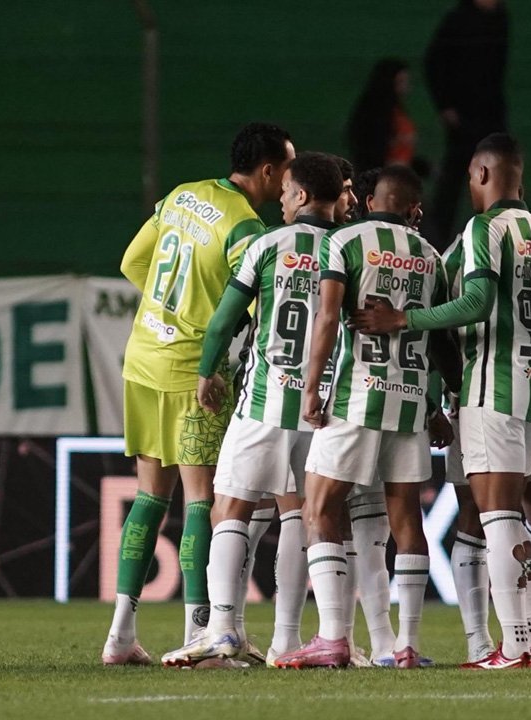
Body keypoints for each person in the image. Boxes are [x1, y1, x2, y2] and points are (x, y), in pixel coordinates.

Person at [352, 133, 531, 669]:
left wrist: (405, 318)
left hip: (491, 390)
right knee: (527, 517)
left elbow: (474, 302)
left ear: (483, 174)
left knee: (495, 517)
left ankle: (517, 642)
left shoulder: (483, 229)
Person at [102, 122, 295, 666]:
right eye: (286, 170)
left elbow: (132, 262)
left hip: (142, 358)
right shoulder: (246, 229)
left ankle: (120, 635)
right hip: (194, 373)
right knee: (200, 501)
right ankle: (197, 634)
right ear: (266, 170)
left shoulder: (181, 195)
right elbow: (257, 311)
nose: (287, 183)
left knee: (148, 497)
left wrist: (171, 311)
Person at [157, 152, 342, 668]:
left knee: (230, 508)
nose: (280, 200)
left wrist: (206, 371)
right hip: (321, 409)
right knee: (310, 517)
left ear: (302, 195)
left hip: (264, 399)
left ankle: (222, 630)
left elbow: (223, 321)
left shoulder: (267, 244)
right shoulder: (349, 249)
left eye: (286, 192)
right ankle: (300, 639)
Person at [274, 165, 458, 669]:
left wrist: (312, 389)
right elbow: (440, 339)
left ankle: (333, 636)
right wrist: (441, 406)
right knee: (407, 521)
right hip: (410, 402)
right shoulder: (432, 257)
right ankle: (406, 645)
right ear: (414, 209)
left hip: (356, 398)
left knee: (319, 508)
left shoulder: (346, 240)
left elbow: (330, 317)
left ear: (371, 199)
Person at [423, 0, 509, 249]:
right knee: (454, 178)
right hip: (464, 115)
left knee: (500, 173)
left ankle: (501, 235)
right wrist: (446, 105)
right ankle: (437, 241)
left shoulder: (500, 17)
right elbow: (434, 61)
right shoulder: (459, 18)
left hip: (491, 112)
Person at [346, 59, 418, 173]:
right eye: (401, 81)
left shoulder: (395, 108)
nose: (406, 86)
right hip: (382, 174)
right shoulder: (375, 110)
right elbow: (371, 144)